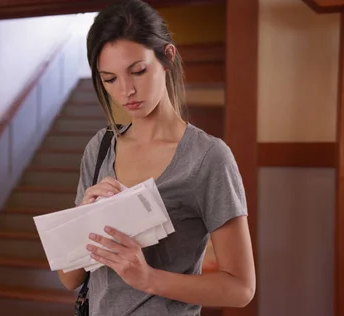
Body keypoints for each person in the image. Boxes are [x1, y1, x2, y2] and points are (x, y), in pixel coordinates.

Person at [56, 0, 256, 315]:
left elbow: (241, 288)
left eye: (137, 71)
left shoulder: (208, 158)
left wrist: (148, 278)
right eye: (110, 79)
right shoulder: (100, 148)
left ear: (167, 57)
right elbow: (70, 279)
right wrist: (83, 216)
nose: (126, 91)